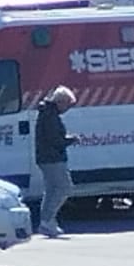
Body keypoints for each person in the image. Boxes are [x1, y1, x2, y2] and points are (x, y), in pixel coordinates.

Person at [34, 86, 78, 238]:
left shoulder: (46, 113)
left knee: (51, 190)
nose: (67, 109)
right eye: (67, 104)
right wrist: (71, 140)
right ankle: (47, 220)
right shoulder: (50, 116)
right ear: (60, 102)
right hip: (53, 158)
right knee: (63, 188)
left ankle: (47, 221)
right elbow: (55, 140)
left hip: (46, 157)